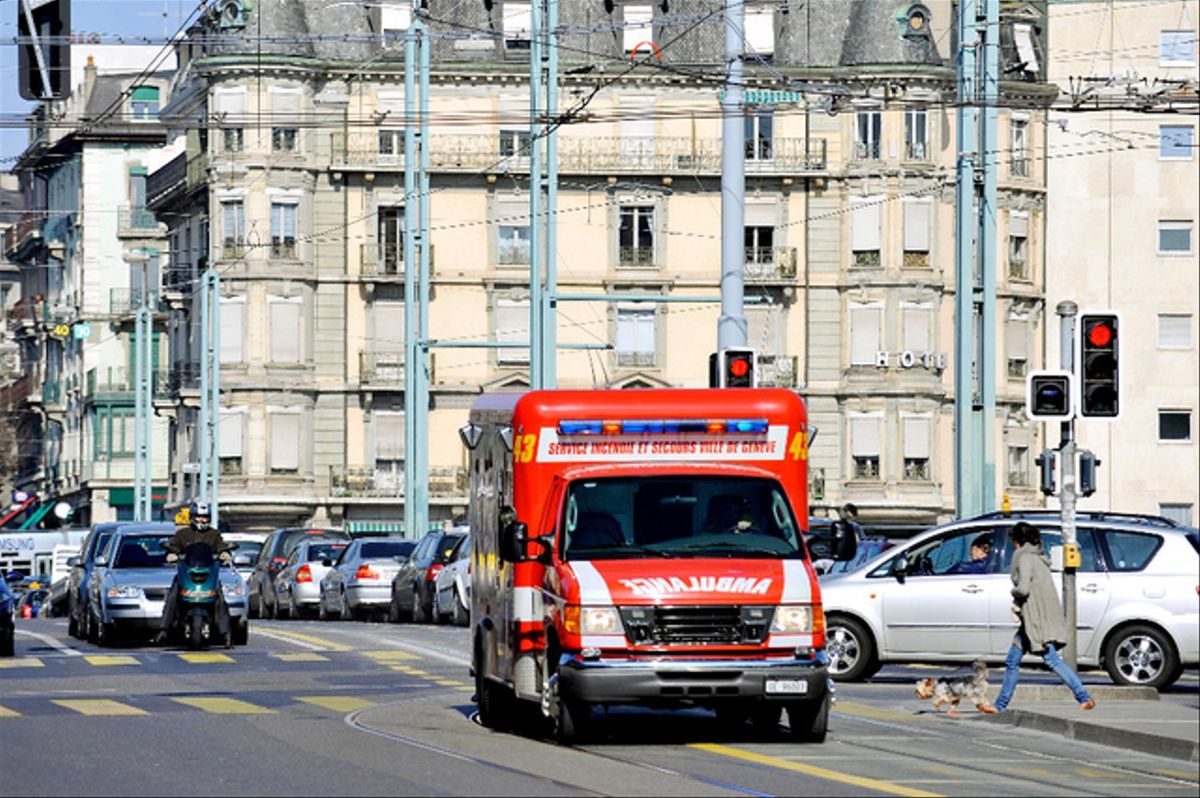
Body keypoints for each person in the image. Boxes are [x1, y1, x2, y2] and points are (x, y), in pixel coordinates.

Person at [994, 522, 1095, 712]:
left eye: (1013, 541)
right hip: (1033, 620)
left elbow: (1023, 588)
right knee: (1012, 660)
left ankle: (1083, 696)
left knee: (1051, 659)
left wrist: (1013, 591)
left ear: (1017, 541)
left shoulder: (1024, 559)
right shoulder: (1038, 558)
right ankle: (1000, 705)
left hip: (1035, 621)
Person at [158, 501, 234, 647]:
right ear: (192, 517)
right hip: (187, 573)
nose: (201, 520)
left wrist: (224, 553)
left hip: (208, 574)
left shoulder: (214, 534)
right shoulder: (182, 534)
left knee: (220, 599)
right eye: (199, 516)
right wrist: (171, 555)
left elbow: (221, 547)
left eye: (205, 517)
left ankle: (226, 635)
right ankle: (164, 630)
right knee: (173, 594)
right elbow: (173, 547)